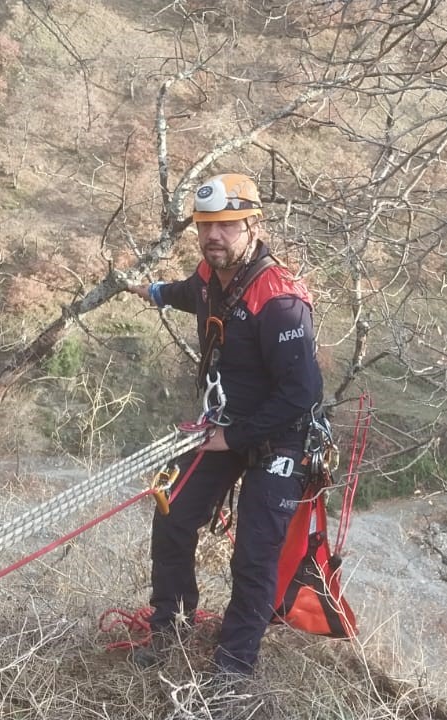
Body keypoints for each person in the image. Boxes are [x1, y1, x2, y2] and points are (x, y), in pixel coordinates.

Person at [124, 172, 323, 680]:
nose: (214, 235)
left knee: (254, 557)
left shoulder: (279, 301)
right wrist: (151, 291)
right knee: (172, 515)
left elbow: (302, 393)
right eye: (206, 225)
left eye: (227, 225)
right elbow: (193, 292)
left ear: (253, 225)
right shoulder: (213, 274)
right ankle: (169, 628)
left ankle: (231, 671)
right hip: (227, 425)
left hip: (280, 434)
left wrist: (230, 438)